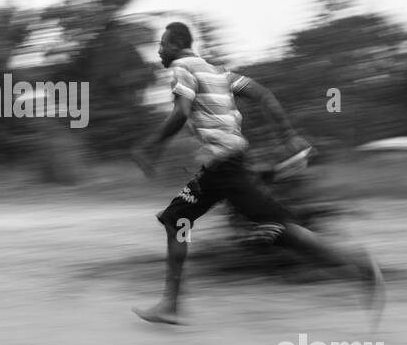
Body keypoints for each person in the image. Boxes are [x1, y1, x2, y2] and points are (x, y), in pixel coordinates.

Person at [131, 22, 384, 326]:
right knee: (176, 219)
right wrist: (287, 135)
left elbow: (181, 111)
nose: (158, 52)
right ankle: (170, 304)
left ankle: (359, 267)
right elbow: (263, 95)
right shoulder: (220, 73)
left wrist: (150, 146)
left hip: (225, 167)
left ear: (174, 44)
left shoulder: (182, 68)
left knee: (281, 230)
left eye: (161, 44)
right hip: (218, 168)